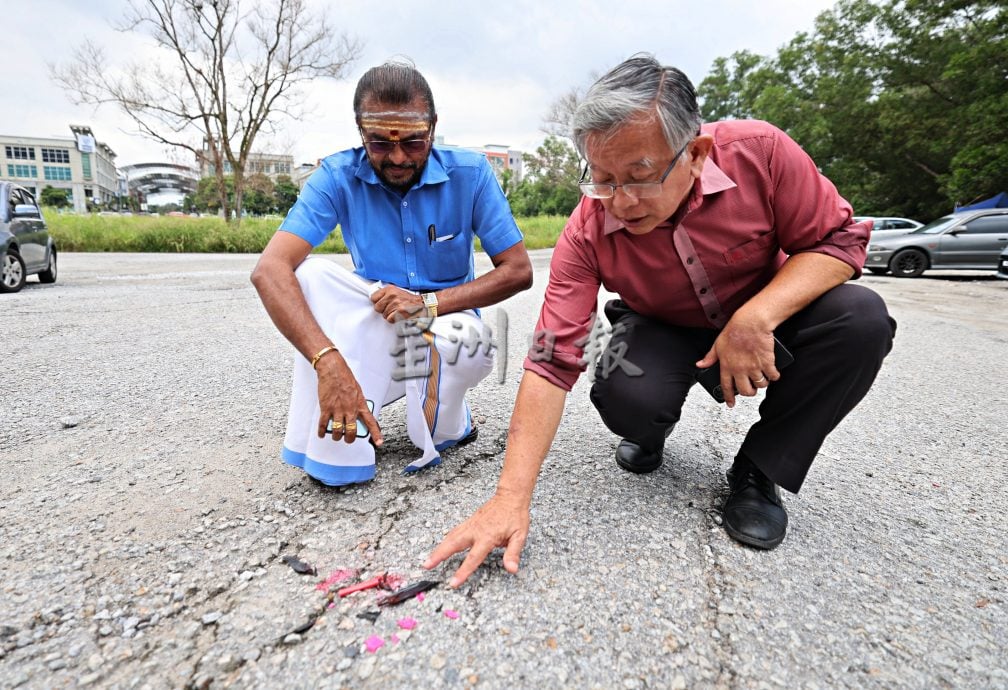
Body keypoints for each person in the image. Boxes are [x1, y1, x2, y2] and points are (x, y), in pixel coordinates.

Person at [425, 54, 896, 586]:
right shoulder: (586, 231)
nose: (619, 202)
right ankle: (652, 430)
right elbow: (552, 358)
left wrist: (756, 316)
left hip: (765, 310)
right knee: (629, 395)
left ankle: (758, 472)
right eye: (601, 178)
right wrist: (509, 497)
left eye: (639, 177)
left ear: (695, 154)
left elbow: (837, 241)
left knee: (862, 320)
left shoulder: (760, 153)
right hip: (661, 323)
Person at [251, 60, 532, 486]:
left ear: (433, 127)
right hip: (376, 323)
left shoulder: (471, 174)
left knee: (463, 346)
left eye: (414, 142)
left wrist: (426, 303)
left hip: (448, 327)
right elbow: (269, 269)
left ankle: (450, 419)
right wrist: (327, 362)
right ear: (360, 130)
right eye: (380, 143)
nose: (398, 157)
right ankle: (343, 435)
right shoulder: (336, 175)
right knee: (308, 276)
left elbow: (518, 271)